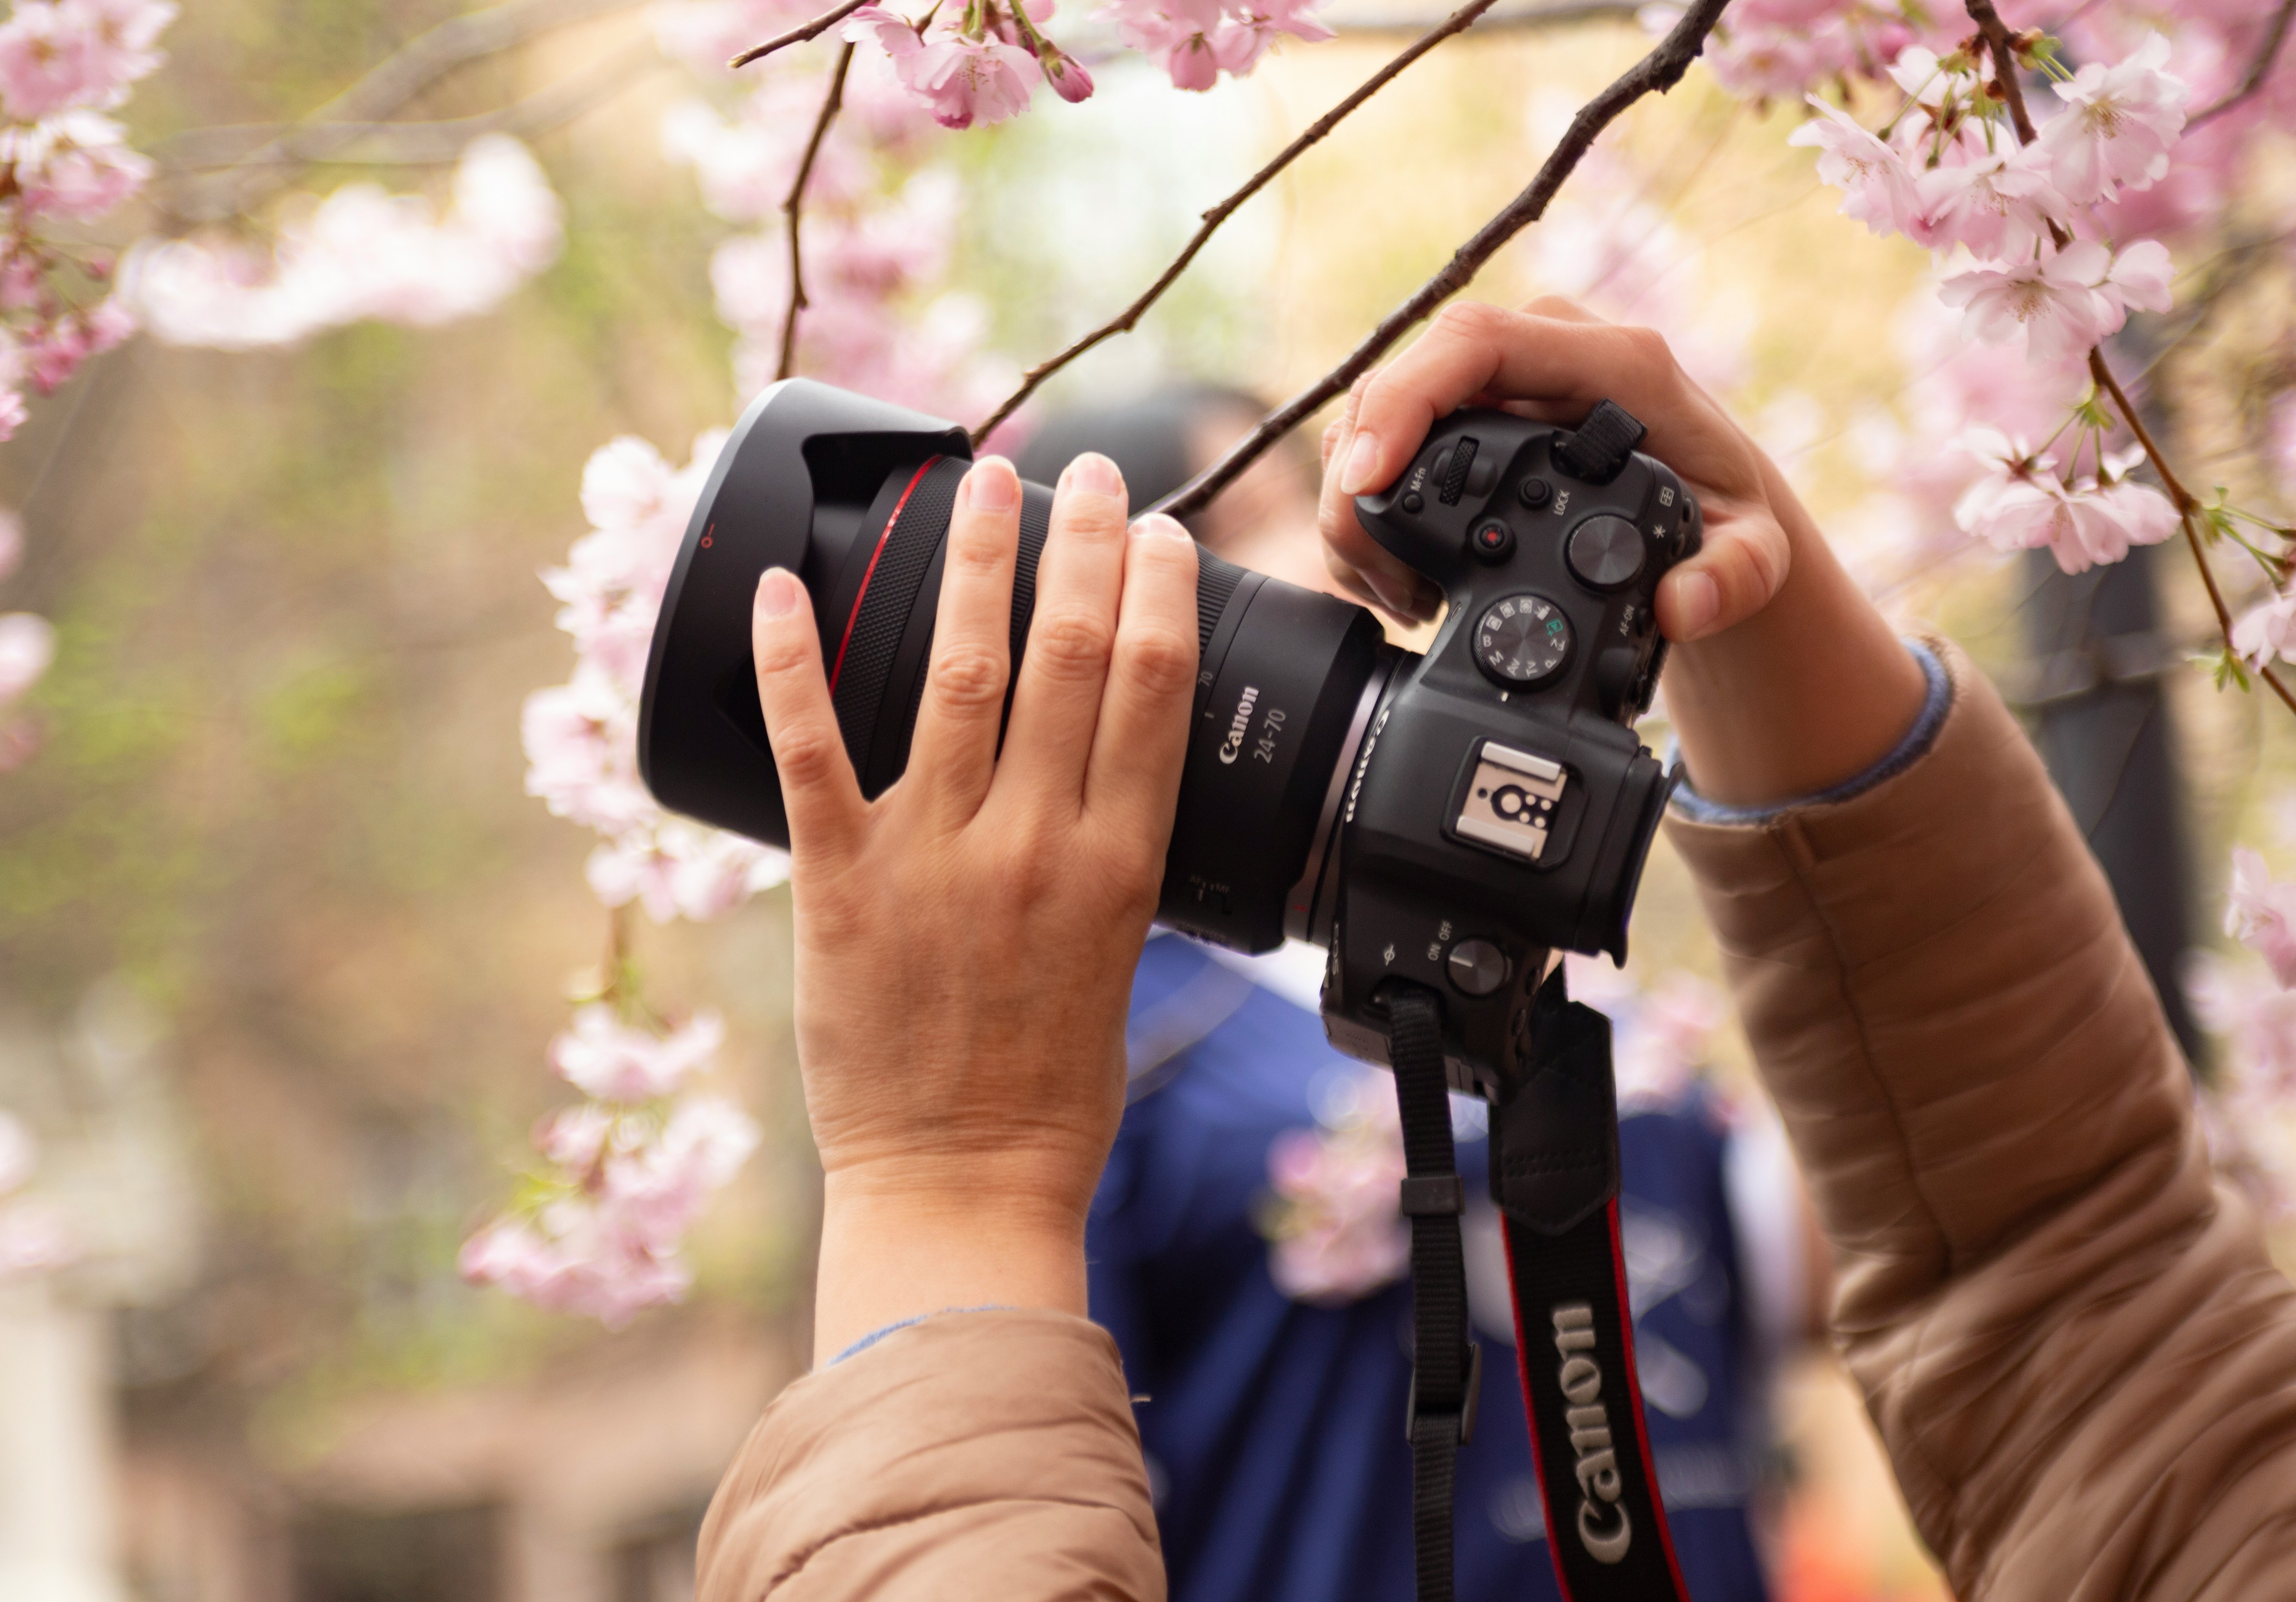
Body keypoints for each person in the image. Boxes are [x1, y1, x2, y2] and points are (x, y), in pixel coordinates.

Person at [695, 298, 2296, 1601]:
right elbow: (2072, 1283)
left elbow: (2013, 1277)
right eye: (1227, 557)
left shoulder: (1560, 1017)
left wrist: (945, 1176)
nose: (1325, 593)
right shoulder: (1099, 1042)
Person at [1015, 393, 1819, 1602]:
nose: (1312, 554)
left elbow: (1843, 1272)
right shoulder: (1116, 1043)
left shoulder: (1583, 979)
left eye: (1310, 497)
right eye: (1231, 530)